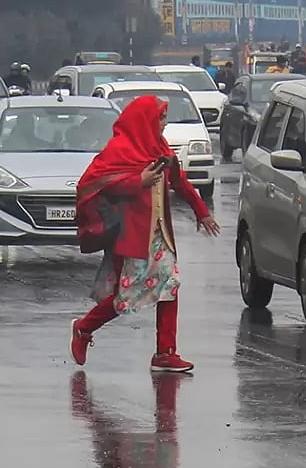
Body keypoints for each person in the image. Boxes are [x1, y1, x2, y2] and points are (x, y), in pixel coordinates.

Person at [70, 95, 221, 373]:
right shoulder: (119, 150)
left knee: (170, 287)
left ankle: (165, 352)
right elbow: (94, 184)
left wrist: (202, 212)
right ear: (145, 121)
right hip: (131, 237)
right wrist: (136, 182)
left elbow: (180, 181)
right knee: (124, 297)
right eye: (161, 118)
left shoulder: (159, 148)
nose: (165, 124)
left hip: (159, 234)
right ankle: (84, 327)